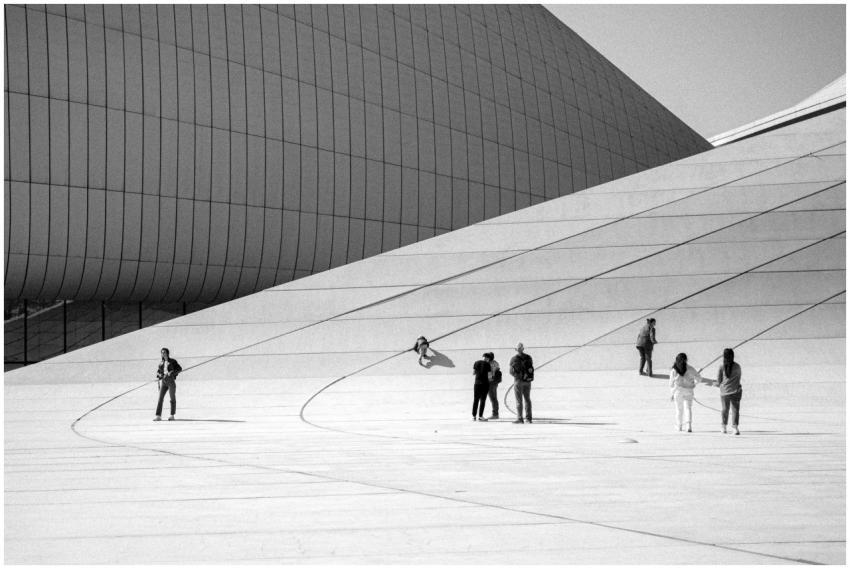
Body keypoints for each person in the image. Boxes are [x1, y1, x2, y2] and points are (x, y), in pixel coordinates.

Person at [668, 352, 705, 432]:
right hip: (689, 390)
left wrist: (672, 393)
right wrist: (694, 384)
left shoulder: (674, 370)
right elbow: (699, 379)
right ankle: (689, 426)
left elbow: (670, 384)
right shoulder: (691, 368)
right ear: (686, 360)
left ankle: (679, 426)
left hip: (678, 391)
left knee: (679, 409)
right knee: (688, 408)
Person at [716, 348, 742, 435]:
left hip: (724, 391)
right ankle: (735, 427)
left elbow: (718, 381)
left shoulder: (721, 366)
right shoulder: (737, 366)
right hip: (735, 391)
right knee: (735, 410)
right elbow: (738, 378)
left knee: (724, 409)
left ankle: (723, 426)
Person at [154, 347, 182, 421]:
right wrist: (159, 375)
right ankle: (158, 416)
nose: (163, 354)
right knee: (160, 398)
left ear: (167, 353)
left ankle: (172, 415)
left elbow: (179, 369)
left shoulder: (173, 361)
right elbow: (158, 372)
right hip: (163, 382)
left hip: (171, 381)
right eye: (162, 352)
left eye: (164, 352)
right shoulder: (161, 363)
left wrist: (171, 372)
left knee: (172, 398)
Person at [509, 343, 534, 424]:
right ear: (523, 349)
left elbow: (511, 371)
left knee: (519, 400)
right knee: (527, 399)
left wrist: (517, 376)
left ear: (516, 350)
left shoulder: (514, 358)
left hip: (518, 381)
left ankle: (520, 419)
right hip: (528, 381)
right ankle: (529, 419)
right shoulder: (529, 357)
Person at [472, 354, 491, 421]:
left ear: (483, 357)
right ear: (487, 359)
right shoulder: (487, 364)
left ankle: (473, 416)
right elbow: (489, 376)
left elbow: (473, 373)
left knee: (475, 400)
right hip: (485, 384)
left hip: (477, 384)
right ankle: (480, 416)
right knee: (482, 400)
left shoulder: (476, 363)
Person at [485, 352, 501, 420]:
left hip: (490, 383)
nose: (485, 358)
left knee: (493, 398)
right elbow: (497, 370)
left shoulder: (489, 364)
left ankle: (495, 414)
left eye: (486, 357)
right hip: (495, 382)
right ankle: (496, 413)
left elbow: (489, 374)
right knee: (495, 398)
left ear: (489, 358)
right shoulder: (496, 363)